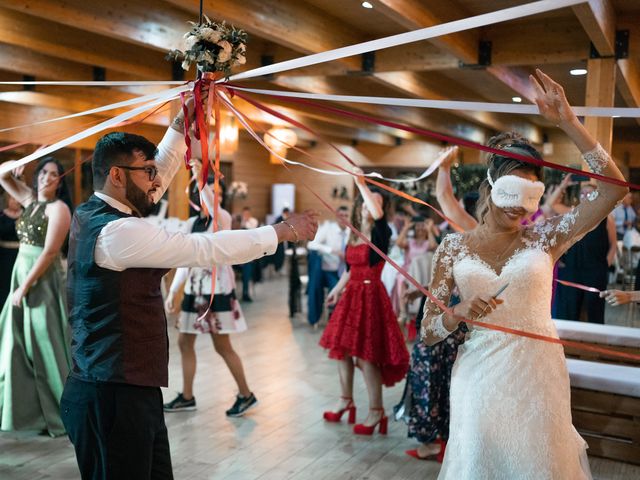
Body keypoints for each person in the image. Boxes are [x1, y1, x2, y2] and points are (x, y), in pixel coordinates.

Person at [61, 93, 318, 480]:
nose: (156, 180)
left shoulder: (100, 211)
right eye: (146, 172)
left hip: (128, 387)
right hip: (109, 394)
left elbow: (160, 170)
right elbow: (202, 248)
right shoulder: (116, 232)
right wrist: (280, 232)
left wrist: (184, 121)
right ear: (116, 175)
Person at [420, 69, 627, 479]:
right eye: (514, 194)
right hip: (477, 377)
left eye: (532, 198)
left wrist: (568, 121)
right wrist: (457, 312)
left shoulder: (546, 237)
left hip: (538, 376)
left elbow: (613, 189)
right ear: (491, 185)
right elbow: (428, 330)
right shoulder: (453, 247)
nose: (522, 209)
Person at [320, 169, 409, 435]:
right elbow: (349, 269)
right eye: (371, 199)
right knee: (342, 352)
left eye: (378, 201)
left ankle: (376, 411)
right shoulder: (354, 234)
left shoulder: (382, 231)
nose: (374, 204)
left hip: (371, 296)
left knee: (367, 356)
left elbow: (378, 213)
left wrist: (362, 185)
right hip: (351, 296)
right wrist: (337, 290)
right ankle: (345, 401)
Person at [164, 161, 256, 417]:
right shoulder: (193, 223)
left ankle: (246, 394)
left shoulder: (223, 218)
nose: (213, 196)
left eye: (217, 193)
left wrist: (198, 176)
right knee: (184, 342)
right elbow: (187, 259)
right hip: (195, 290)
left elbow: (213, 205)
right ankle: (187, 396)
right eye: (208, 191)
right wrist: (173, 291)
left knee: (222, 346)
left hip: (217, 290)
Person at [0, 157, 73, 436]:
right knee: (17, 343)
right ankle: (25, 411)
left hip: (40, 279)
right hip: (21, 272)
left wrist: (24, 287)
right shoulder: (29, 199)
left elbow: (50, 252)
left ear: (60, 181)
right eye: (43, 172)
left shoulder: (60, 209)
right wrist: (18, 163)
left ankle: (61, 412)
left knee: (46, 343)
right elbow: (2, 176)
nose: (47, 177)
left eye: (54, 174)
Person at [553, 183, 617, 324]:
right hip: (573, 269)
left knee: (595, 310)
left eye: (589, 193)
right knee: (569, 309)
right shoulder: (572, 213)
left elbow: (613, 245)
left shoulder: (606, 217)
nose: (585, 196)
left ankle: (594, 340)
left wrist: (606, 264)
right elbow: (552, 205)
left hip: (595, 270)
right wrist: (563, 186)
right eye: (582, 193)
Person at [306, 206, 349, 326]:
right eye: (341, 216)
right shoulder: (328, 229)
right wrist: (332, 250)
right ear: (337, 216)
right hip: (329, 271)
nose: (344, 219)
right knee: (338, 290)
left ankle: (345, 321)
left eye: (346, 216)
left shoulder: (350, 232)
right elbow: (311, 245)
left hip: (346, 271)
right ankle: (336, 321)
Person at [0, 192, 22, 301]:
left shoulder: (27, 215)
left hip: (22, 255)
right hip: (5, 257)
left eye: (18, 199)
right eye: (13, 199)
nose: (16, 201)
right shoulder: (1, 215)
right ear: (7, 199)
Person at [239, 206, 259, 302]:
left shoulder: (253, 221)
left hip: (250, 252)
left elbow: (252, 230)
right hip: (240, 251)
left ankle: (246, 293)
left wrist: (246, 222)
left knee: (247, 272)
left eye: (247, 214)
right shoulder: (240, 222)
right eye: (244, 214)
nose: (246, 215)